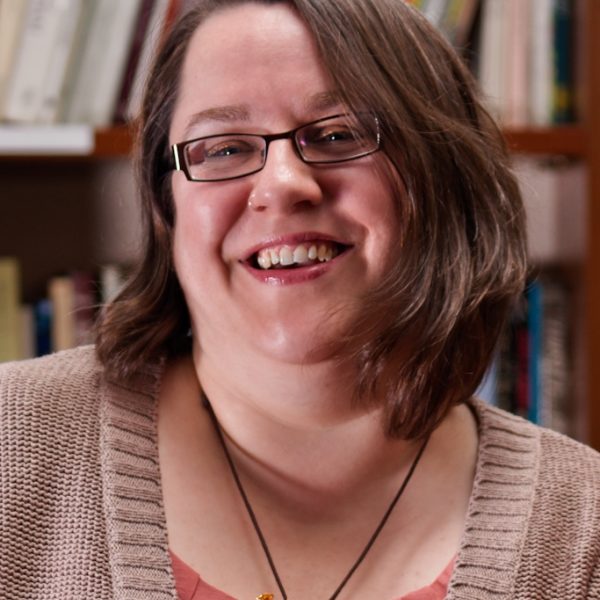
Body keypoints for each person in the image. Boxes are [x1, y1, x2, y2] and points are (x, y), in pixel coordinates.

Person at [1, 1, 599, 598]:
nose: (283, 185)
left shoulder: (584, 530)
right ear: (166, 208)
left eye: (339, 135)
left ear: (442, 178)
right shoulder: (13, 447)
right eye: (224, 148)